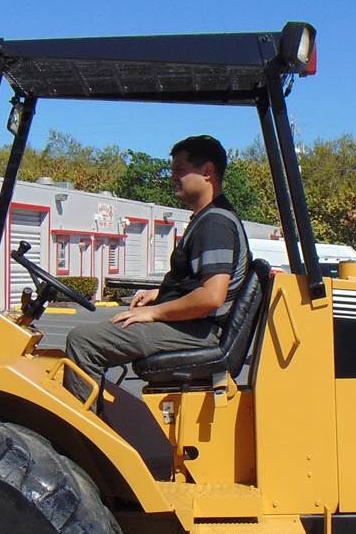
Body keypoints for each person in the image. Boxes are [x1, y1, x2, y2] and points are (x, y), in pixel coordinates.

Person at [65, 135, 249, 384]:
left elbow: (211, 296)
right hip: (195, 326)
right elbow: (197, 283)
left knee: (83, 341)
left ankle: (82, 410)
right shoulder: (209, 218)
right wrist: (160, 294)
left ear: (207, 172)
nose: (173, 177)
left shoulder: (215, 223)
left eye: (180, 171)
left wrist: (154, 312)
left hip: (198, 331)